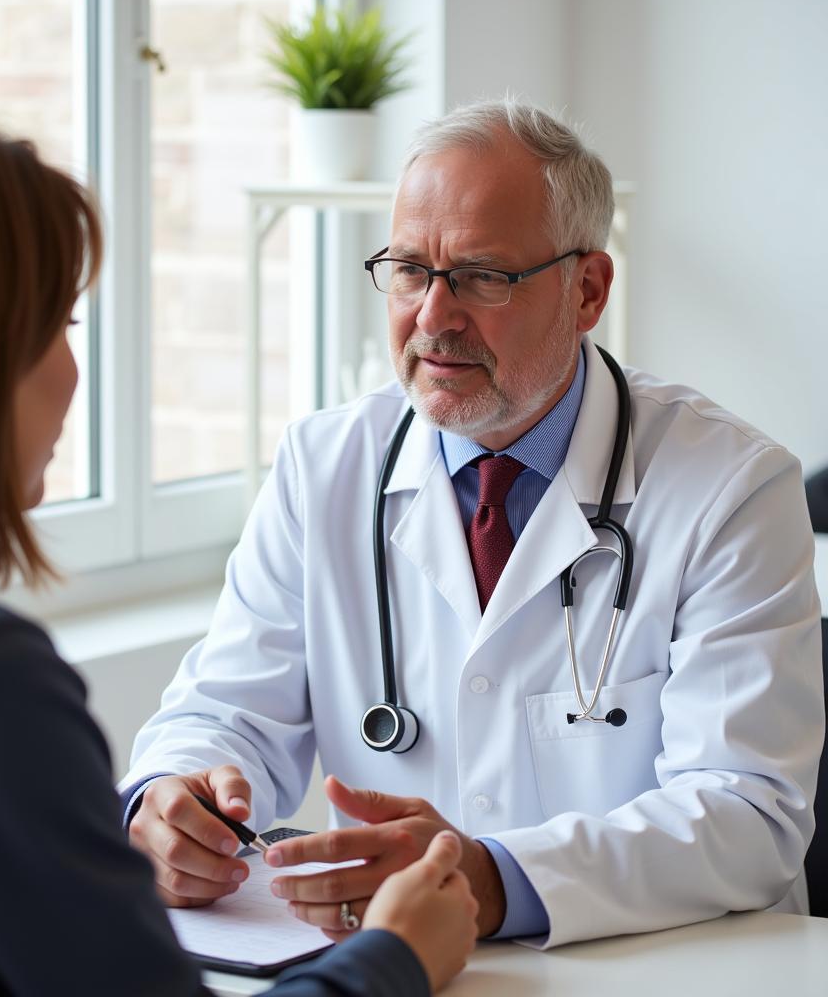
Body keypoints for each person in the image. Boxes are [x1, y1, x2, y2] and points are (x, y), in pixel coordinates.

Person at [0, 109, 479, 996]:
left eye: (484, 277)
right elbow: (225, 702)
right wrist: (396, 956)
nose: (73, 374)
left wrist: (172, 796)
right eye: (61, 325)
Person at [122, 98, 825, 949]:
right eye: (412, 269)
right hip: (403, 963)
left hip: (662, 965)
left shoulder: (732, 487)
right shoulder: (324, 464)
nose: (433, 316)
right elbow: (226, 710)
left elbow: (747, 816)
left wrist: (491, 878)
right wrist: (171, 797)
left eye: (484, 276)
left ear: (588, 289)